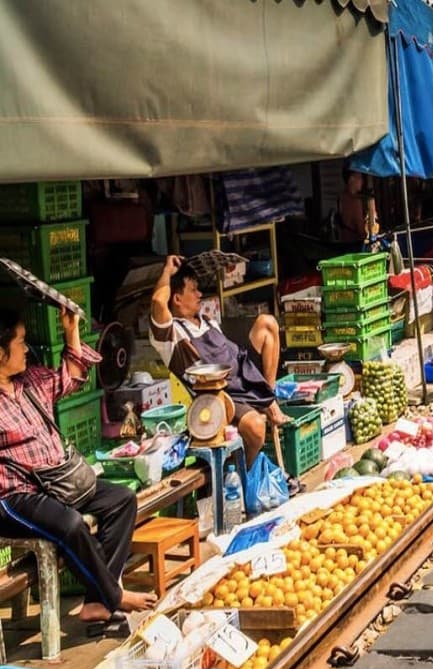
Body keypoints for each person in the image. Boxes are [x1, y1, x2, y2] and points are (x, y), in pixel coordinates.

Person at [0, 308, 157, 630]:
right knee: (71, 525)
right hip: (15, 496)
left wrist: (71, 329)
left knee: (122, 500)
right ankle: (114, 596)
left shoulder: (30, 382)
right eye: (20, 342)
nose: (27, 349)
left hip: (58, 482)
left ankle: (97, 601)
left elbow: (71, 375)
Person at [150, 256, 287, 464]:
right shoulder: (171, 335)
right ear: (177, 299)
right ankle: (241, 472)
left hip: (245, 376)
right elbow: (158, 302)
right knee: (256, 428)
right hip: (224, 395)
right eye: (193, 290)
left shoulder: (208, 321)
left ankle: (269, 400)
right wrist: (167, 271)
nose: (200, 294)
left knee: (267, 323)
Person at [335, 168, 375, 243]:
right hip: (355, 243)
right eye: (360, 177)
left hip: (344, 241)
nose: (362, 181)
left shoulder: (341, 196)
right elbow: (361, 229)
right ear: (351, 179)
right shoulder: (354, 200)